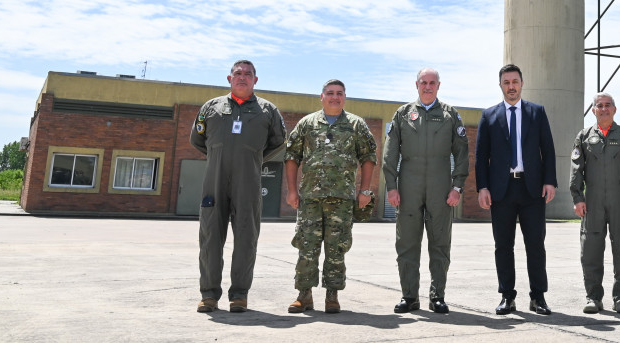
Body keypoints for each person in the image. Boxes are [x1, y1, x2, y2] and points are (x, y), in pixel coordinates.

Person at [190, 59, 287, 313]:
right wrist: (217, 155)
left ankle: (239, 295)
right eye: (237, 73)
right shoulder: (211, 107)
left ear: (256, 80)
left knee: (246, 239)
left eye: (248, 74)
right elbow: (197, 139)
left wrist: (252, 157)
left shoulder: (268, 111)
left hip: (249, 183)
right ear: (229, 79)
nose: (242, 77)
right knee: (210, 238)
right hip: (215, 182)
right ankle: (209, 294)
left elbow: (278, 142)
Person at [283, 79, 378, 314]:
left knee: (337, 248)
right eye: (330, 93)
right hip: (310, 198)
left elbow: (368, 157)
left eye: (339, 93)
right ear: (322, 96)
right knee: (307, 246)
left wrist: (365, 191)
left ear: (344, 97)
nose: (335, 97)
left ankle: (332, 295)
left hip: (342, 198)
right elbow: (291, 156)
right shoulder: (307, 123)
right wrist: (292, 190)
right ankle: (304, 295)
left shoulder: (356, 125)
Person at [381, 67, 470, 314]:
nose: (428, 86)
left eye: (432, 82)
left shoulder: (451, 115)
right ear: (416, 84)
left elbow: (462, 153)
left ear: (439, 86)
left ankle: (437, 296)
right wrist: (391, 186)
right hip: (409, 187)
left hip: (441, 188)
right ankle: (409, 296)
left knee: (440, 243)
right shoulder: (403, 114)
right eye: (424, 82)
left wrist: (457, 187)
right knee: (407, 243)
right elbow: (390, 154)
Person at [475, 64, 558, 315]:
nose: (511, 86)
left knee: (535, 245)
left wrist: (550, 181)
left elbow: (548, 149)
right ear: (500, 85)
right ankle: (507, 297)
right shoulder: (489, 116)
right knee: (503, 245)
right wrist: (483, 187)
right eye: (506, 82)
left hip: (532, 189)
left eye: (515, 82)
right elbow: (481, 157)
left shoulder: (536, 112)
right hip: (502, 190)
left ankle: (538, 297)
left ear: (522, 83)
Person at [569, 92, 620, 314]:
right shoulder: (583, 137)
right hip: (592, 202)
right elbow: (576, 170)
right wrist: (577, 198)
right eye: (599, 106)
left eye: (608, 105)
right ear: (593, 110)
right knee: (590, 250)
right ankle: (593, 297)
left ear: (614, 109)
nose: (603, 109)